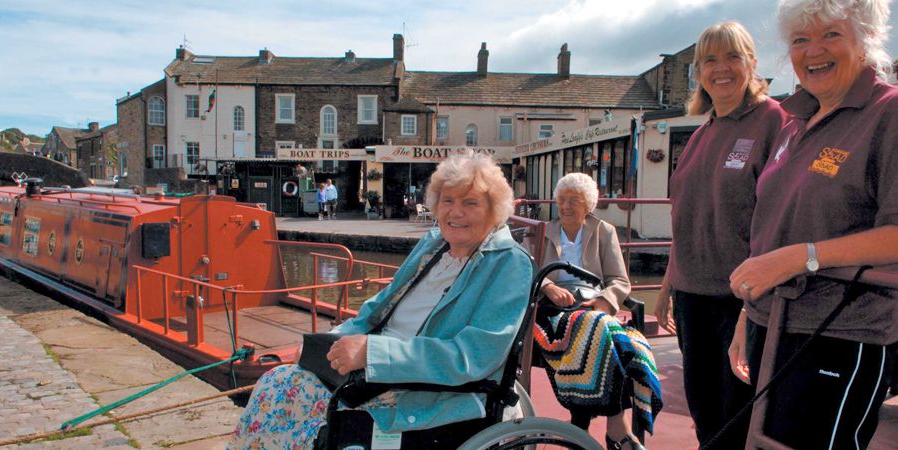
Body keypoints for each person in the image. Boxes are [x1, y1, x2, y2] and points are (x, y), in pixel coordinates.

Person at [230, 154, 532, 449]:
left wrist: (374, 353)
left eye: (470, 203)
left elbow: (472, 357)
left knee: (316, 429)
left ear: (494, 210)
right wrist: (331, 341)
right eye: (448, 200)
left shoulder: (508, 264)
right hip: (376, 373)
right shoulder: (436, 245)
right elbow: (380, 306)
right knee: (276, 382)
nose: (455, 212)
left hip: (430, 389)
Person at [727, 1, 898, 448]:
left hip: (841, 331)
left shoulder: (889, 115)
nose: (813, 50)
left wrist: (802, 258)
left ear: (866, 39)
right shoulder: (795, 121)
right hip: (775, 323)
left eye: (831, 35)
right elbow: (772, 227)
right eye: (801, 39)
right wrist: (750, 313)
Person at [651, 21, 787, 449]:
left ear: (752, 63)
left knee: (737, 418)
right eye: (710, 59)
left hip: (742, 300)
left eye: (733, 56)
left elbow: (780, 217)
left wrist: (750, 302)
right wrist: (667, 285)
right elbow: (687, 216)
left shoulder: (773, 122)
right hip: (692, 298)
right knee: (704, 413)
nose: (721, 68)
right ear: (699, 72)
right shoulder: (701, 132)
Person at [536, 172, 661, 450]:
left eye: (574, 201)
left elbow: (620, 280)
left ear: (588, 205)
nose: (566, 206)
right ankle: (618, 429)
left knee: (620, 342)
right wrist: (547, 286)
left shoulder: (604, 231)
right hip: (554, 311)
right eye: (562, 200)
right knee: (609, 336)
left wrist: (605, 300)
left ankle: (581, 422)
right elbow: (527, 272)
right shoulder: (544, 230)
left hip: (593, 306)